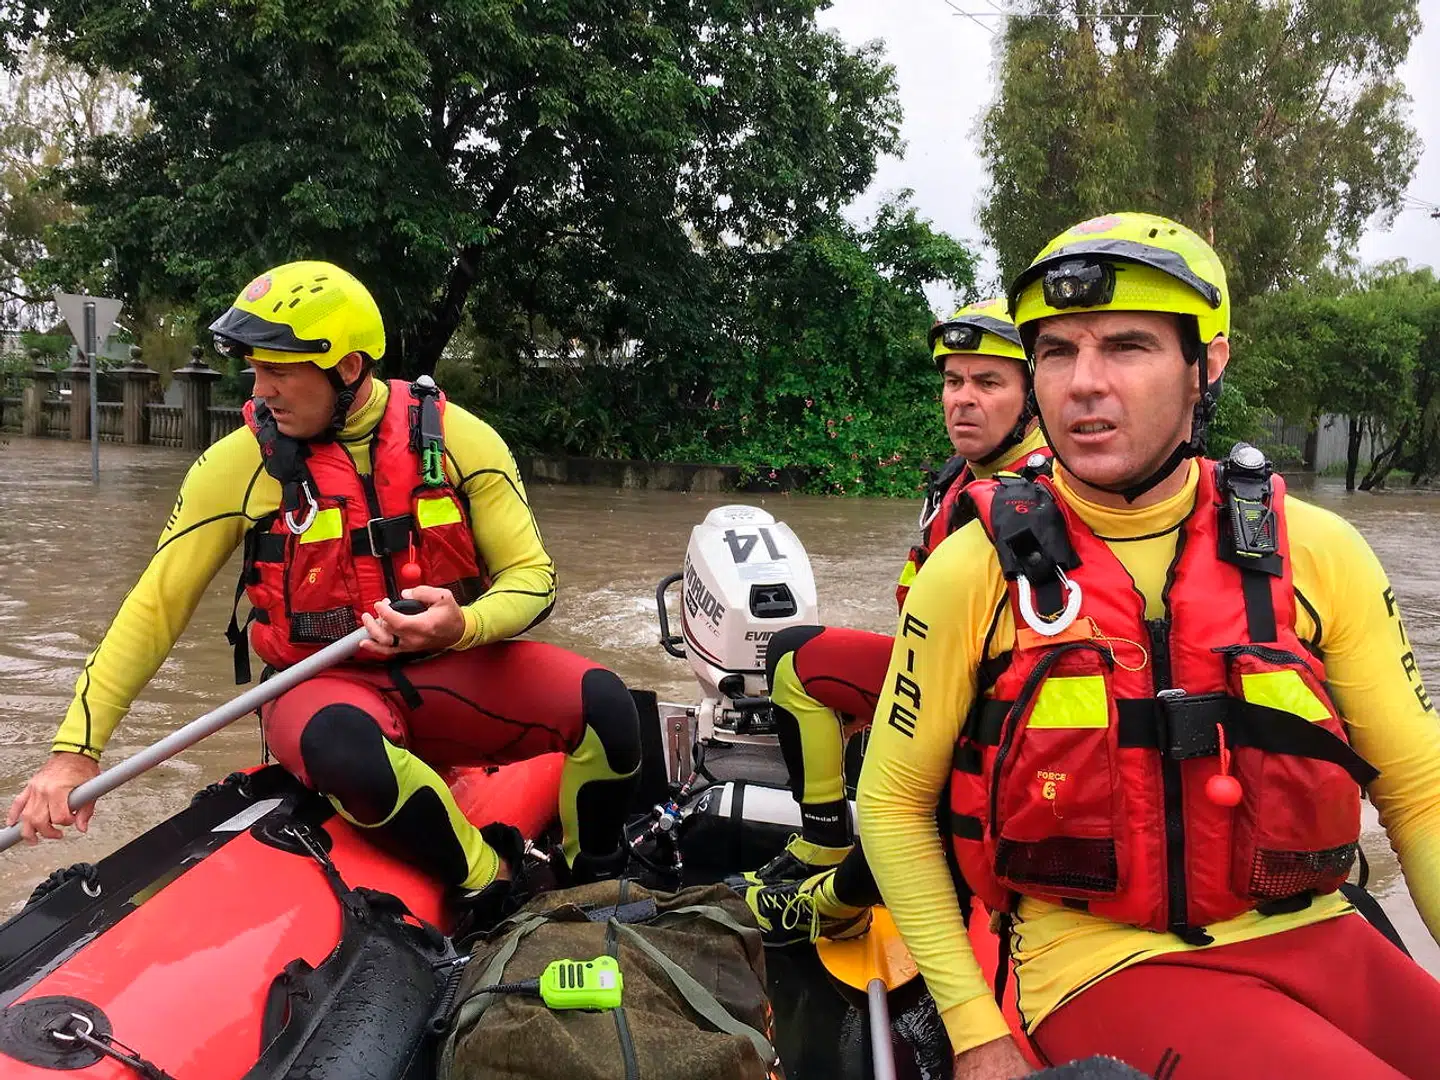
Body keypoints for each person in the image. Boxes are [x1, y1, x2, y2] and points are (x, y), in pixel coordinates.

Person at [858, 212, 1440, 1080]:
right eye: (1057, 352)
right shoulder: (969, 571)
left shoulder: (1321, 551)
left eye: (1127, 347)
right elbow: (894, 803)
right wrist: (976, 1033)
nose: (1083, 384)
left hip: (1318, 930)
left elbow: (1421, 792)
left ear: (1208, 364)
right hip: (1096, 960)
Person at [6, 261, 641, 919]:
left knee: (607, 705)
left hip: (447, 668)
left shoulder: (458, 439)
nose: (262, 390)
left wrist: (464, 625)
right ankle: (494, 879)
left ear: (348, 368)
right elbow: (154, 608)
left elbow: (534, 579)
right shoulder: (235, 466)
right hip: (320, 685)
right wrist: (74, 753)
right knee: (344, 748)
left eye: (279, 370)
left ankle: (591, 879)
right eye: (255, 369)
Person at [737, 299, 1049, 946]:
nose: (963, 399)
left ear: (1034, 397)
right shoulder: (956, 478)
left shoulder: (1047, 493)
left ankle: (840, 901)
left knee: (919, 784)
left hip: (1005, 713)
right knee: (794, 655)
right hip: (931, 672)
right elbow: (912, 597)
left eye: (988, 382)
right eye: (953, 381)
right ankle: (823, 841)